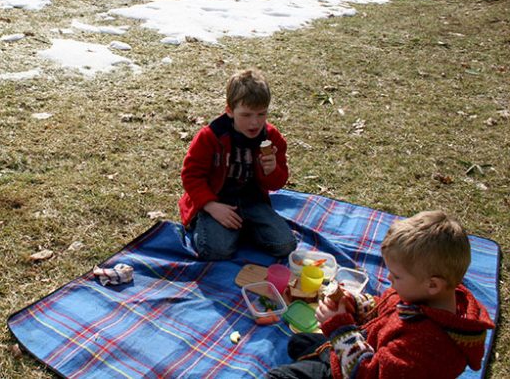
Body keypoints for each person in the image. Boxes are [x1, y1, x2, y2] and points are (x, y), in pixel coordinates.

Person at [266, 210, 495, 379]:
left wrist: (340, 330)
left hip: (361, 370)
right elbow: (385, 307)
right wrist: (355, 304)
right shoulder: (426, 295)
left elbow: (369, 374)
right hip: (368, 345)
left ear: (433, 285)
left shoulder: (430, 348)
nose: (388, 280)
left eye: (396, 276)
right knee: (299, 342)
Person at [178, 68, 295, 260]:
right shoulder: (211, 137)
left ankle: (242, 228)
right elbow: (191, 175)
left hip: (251, 200)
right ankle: (214, 225)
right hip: (216, 199)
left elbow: (277, 183)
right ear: (230, 111)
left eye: (261, 114)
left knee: (286, 245)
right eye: (246, 115)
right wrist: (209, 205)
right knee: (216, 250)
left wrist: (272, 169)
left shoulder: (271, 138)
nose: (255, 123)